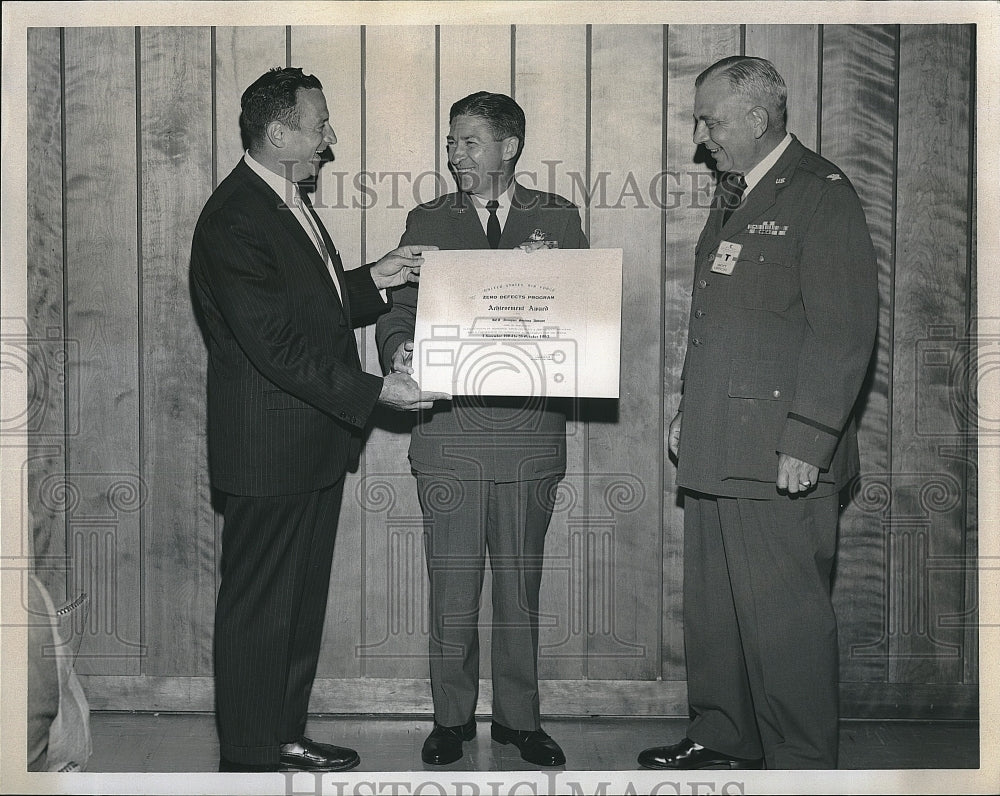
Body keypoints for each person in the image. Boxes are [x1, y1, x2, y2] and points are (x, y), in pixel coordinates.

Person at [190, 66, 446, 773]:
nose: (330, 139)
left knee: (295, 609)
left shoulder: (281, 198)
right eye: (319, 125)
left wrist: (376, 277)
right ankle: (247, 760)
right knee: (258, 612)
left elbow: (310, 307)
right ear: (279, 134)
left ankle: (283, 735)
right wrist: (375, 394)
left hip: (308, 443)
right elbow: (275, 345)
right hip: (269, 449)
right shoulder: (237, 215)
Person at [637, 56, 878, 770]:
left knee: (785, 617)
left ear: (756, 117)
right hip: (720, 440)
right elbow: (722, 319)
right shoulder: (740, 191)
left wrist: (810, 438)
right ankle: (724, 735)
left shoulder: (819, 193)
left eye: (710, 120)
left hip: (781, 450)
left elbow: (844, 332)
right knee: (716, 611)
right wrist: (688, 408)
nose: (701, 134)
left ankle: (802, 763)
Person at [375, 91, 588, 768]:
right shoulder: (425, 219)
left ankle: (521, 720)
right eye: (450, 142)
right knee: (452, 584)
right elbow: (397, 312)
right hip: (451, 433)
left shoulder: (558, 217)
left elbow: (585, 315)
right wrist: (397, 353)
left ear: (509, 148)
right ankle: (451, 718)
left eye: (468, 142)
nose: (454, 154)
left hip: (529, 433)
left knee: (521, 587)